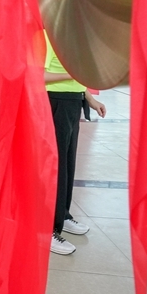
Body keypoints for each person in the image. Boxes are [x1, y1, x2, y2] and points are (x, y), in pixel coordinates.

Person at [44, 32, 106, 255]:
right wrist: (70, 72)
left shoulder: (73, 38)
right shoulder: (48, 37)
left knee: (68, 166)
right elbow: (37, 75)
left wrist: (90, 98)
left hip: (72, 103)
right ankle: (47, 229)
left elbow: (77, 78)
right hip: (54, 104)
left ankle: (63, 214)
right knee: (55, 168)